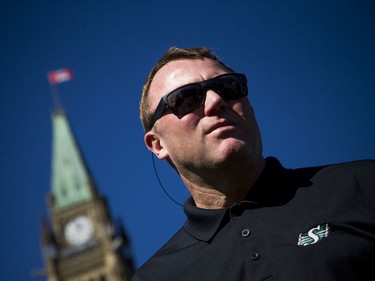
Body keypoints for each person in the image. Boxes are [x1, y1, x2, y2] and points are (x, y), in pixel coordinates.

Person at [132, 47, 375, 281]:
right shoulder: (156, 276)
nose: (216, 101)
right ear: (157, 144)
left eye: (229, 87)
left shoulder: (362, 187)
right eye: (186, 98)